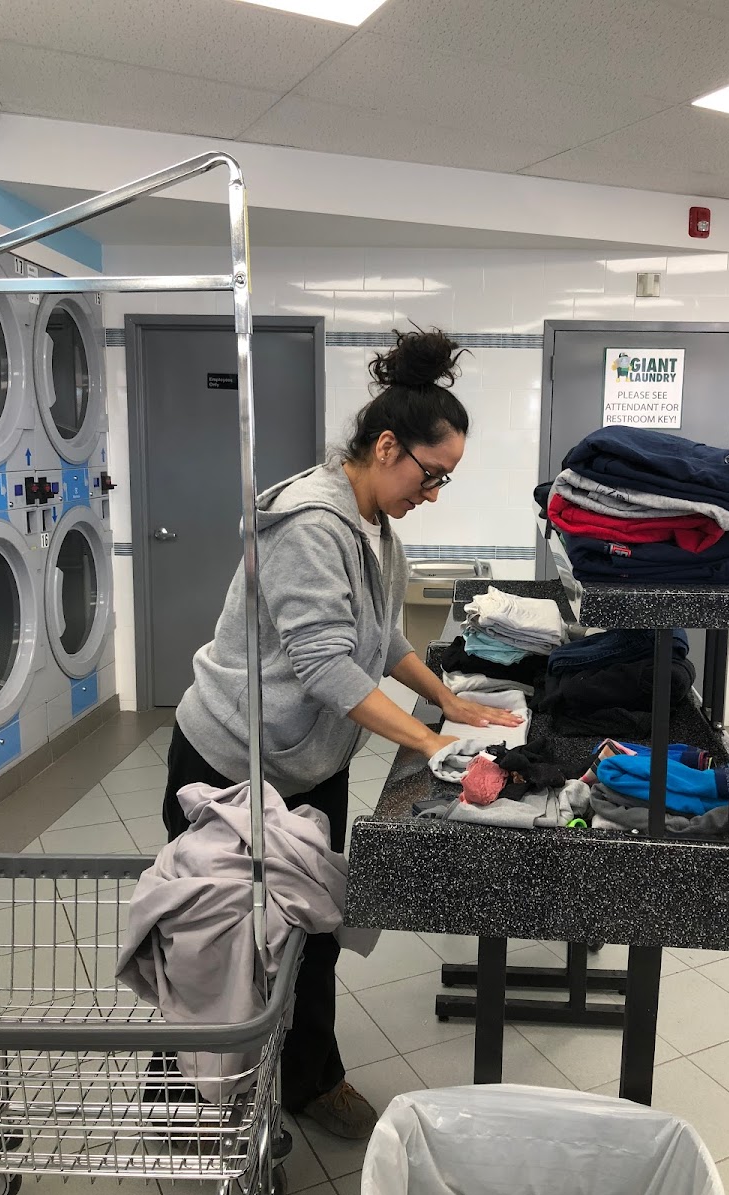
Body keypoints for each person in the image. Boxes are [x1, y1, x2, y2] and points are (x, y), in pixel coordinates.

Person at [160, 328, 522, 1140]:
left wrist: (447, 703)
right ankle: (187, 1100)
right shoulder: (309, 523)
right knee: (218, 942)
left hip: (305, 764)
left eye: (445, 483)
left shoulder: (372, 526)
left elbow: (381, 638)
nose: (432, 495)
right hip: (229, 763)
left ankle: (311, 1081)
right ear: (388, 446)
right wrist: (430, 747)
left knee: (313, 929)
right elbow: (325, 665)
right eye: (430, 477)